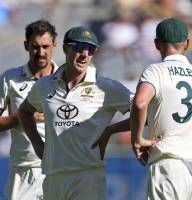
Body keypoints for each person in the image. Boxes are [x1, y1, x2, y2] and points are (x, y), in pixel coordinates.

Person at [17, 26, 132, 200]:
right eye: (78, 47)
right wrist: (37, 144)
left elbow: (145, 111)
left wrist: (110, 130)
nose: (85, 54)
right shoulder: (44, 85)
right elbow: (24, 111)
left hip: (88, 178)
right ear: (65, 48)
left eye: (91, 49)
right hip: (52, 177)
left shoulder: (107, 87)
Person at [130, 18, 192, 200]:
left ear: (156, 44)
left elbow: (140, 103)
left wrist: (137, 138)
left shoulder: (156, 71)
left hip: (169, 167)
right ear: (187, 44)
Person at [0, 19, 58, 200]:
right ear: (26, 46)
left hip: (60, 168)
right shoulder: (10, 78)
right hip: (23, 169)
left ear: (54, 46)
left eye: (45, 46)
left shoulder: (65, 79)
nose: (40, 52)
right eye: (35, 47)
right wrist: (21, 117)